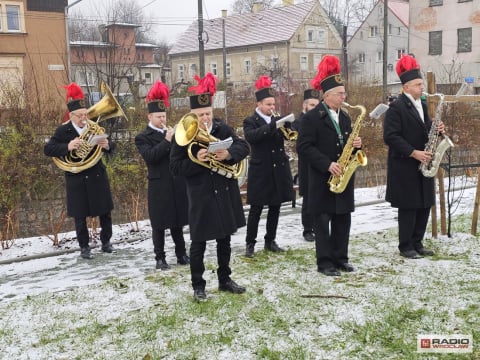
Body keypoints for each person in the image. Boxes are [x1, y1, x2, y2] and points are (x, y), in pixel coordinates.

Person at [170, 73, 249, 301]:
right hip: (201, 194)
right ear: (192, 116)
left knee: (225, 239)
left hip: (224, 192)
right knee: (199, 243)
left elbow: (244, 146)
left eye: (208, 114)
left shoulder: (222, 129)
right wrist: (198, 160)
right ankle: (198, 285)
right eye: (200, 115)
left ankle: (225, 279)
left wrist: (229, 154)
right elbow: (175, 167)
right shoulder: (182, 134)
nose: (205, 118)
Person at [296, 55, 362, 276]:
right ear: (327, 95)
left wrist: (356, 146)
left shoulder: (344, 117)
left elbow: (346, 143)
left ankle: (340, 258)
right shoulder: (311, 118)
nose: (344, 97)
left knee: (343, 219)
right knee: (322, 223)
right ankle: (325, 263)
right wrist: (327, 164)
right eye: (340, 94)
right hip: (322, 178)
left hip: (343, 176)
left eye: (344, 93)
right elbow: (304, 147)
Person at [44, 83, 115, 259]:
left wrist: (107, 145)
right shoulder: (63, 130)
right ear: (71, 115)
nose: (84, 118)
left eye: (86, 114)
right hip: (76, 177)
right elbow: (48, 149)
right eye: (80, 115)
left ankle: (106, 242)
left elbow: (112, 146)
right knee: (79, 215)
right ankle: (84, 247)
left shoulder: (94, 128)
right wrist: (67, 146)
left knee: (105, 211)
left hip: (97, 174)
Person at [383, 54, 444, 259]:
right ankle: (405, 245)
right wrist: (413, 152)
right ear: (406, 87)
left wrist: (437, 130)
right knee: (408, 206)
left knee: (424, 203)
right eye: (418, 84)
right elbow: (390, 137)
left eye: (421, 84)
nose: (422, 87)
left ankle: (417, 242)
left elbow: (425, 129)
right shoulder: (396, 108)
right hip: (405, 165)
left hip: (423, 162)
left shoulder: (422, 105)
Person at [135, 80, 190, 270]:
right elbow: (151, 157)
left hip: (176, 182)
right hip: (159, 185)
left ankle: (182, 254)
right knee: (159, 224)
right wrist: (167, 141)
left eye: (164, 116)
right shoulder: (142, 137)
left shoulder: (173, 132)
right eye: (158, 116)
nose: (162, 120)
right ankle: (160, 257)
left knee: (177, 222)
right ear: (150, 116)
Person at [243, 75, 294, 258]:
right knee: (256, 209)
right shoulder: (250, 121)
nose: (272, 108)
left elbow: (290, 136)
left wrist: (289, 127)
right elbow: (253, 137)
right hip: (261, 170)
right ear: (259, 105)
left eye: (273, 104)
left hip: (278, 169)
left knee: (275, 206)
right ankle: (250, 243)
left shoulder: (277, 119)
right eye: (268, 104)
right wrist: (273, 125)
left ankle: (270, 240)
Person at [292, 88, 321, 242]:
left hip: (321, 163)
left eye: (317, 105)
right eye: (311, 105)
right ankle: (307, 229)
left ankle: (319, 227)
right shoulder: (299, 121)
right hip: (307, 164)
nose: (314, 108)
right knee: (309, 197)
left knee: (320, 196)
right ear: (305, 106)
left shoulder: (322, 118)